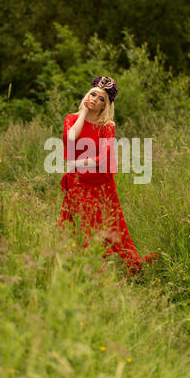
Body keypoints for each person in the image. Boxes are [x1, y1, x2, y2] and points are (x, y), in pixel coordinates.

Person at [58, 76, 159, 276]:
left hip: (102, 183)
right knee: (82, 227)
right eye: (93, 94)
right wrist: (85, 111)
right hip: (78, 183)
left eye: (101, 98)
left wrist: (77, 163)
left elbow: (103, 158)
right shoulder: (71, 119)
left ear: (106, 105)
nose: (95, 99)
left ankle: (134, 267)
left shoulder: (107, 126)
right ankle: (91, 272)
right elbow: (70, 139)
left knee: (115, 226)